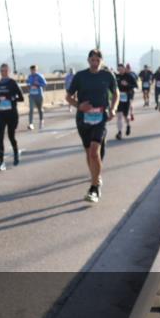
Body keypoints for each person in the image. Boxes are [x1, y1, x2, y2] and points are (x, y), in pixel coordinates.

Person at [66, 49, 119, 203]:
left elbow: (115, 93)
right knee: (89, 152)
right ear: (88, 60)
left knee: (95, 152)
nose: (95, 63)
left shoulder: (107, 75)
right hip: (83, 119)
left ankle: (94, 187)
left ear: (101, 61)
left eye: (98, 60)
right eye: (92, 60)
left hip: (100, 117)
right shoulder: (80, 76)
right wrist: (79, 105)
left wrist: (113, 108)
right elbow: (68, 97)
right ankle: (95, 177)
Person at [0, 63, 24, 171]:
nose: (3, 72)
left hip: (12, 114)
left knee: (11, 136)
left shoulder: (13, 83)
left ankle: (15, 152)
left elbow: (21, 98)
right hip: (1, 113)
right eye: (2, 71)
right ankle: (1, 162)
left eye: (5, 71)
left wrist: (10, 98)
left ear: (9, 71)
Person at [115, 63, 137, 140]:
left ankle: (128, 125)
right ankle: (119, 132)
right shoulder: (116, 77)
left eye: (121, 69)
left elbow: (135, 86)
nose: (120, 71)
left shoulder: (129, 76)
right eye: (119, 69)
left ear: (124, 69)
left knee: (125, 115)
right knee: (119, 116)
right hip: (118, 98)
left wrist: (127, 84)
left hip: (126, 97)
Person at [26, 65, 47, 130]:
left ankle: (41, 121)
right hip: (32, 95)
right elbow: (27, 83)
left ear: (36, 70)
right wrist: (29, 86)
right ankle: (31, 124)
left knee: (40, 109)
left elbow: (45, 84)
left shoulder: (39, 76)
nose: (33, 71)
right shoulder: (29, 76)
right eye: (32, 70)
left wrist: (38, 84)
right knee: (31, 109)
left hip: (39, 95)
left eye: (34, 70)